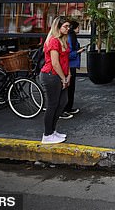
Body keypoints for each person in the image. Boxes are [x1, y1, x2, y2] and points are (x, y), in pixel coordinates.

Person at [40, 16, 71, 144]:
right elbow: (55, 63)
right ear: (58, 27)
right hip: (51, 75)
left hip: (61, 76)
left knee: (63, 102)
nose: (68, 29)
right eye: (65, 26)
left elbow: (65, 60)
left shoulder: (64, 40)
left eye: (69, 26)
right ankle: (47, 135)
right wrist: (64, 79)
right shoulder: (53, 41)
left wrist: (68, 74)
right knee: (52, 105)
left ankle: (52, 131)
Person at [62, 20, 85, 119]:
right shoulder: (70, 38)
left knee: (71, 88)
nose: (79, 29)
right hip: (69, 66)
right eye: (78, 27)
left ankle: (68, 107)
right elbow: (69, 54)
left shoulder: (72, 37)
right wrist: (79, 51)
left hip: (72, 65)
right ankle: (64, 109)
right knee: (69, 88)